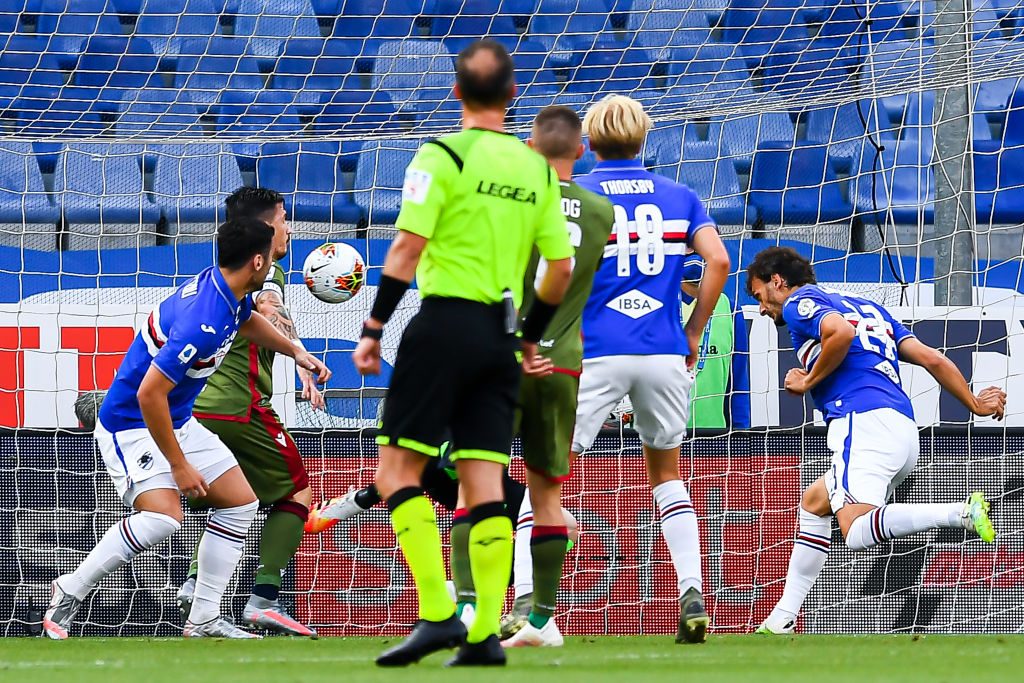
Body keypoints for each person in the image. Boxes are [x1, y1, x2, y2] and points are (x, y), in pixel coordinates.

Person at [350, 39, 572, 667]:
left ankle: (441, 615)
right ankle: (483, 641)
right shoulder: (536, 169)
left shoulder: (440, 153)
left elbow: (406, 248)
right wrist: (531, 334)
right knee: (485, 489)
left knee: (395, 474)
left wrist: (372, 327)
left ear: (455, 94)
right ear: (511, 96)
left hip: (443, 325)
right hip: (501, 338)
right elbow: (557, 268)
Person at [43, 218, 330, 639]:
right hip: (131, 425)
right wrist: (178, 466)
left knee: (240, 502)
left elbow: (248, 321)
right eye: (269, 257)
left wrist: (296, 353)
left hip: (176, 419)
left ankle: (204, 619)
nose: (273, 262)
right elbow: (149, 394)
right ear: (256, 261)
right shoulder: (204, 321)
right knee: (163, 519)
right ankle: (69, 590)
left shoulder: (227, 290)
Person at [745, 246, 1004, 634]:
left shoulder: (800, 302)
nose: (762, 308)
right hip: (901, 430)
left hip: (859, 421)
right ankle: (782, 618)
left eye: (759, 295)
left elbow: (841, 333)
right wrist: (974, 404)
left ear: (777, 281)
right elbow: (932, 358)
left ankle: (959, 513)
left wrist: (808, 379)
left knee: (856, 531)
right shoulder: (869, 308)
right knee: (815, 504)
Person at [568, 94, 731, 645]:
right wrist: (692, 330)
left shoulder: (576, 194)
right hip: (663, 352)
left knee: (546, 477)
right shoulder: (680, 196)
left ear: (588, 141)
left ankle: (525, 603)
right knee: (667, 475)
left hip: (595, 350)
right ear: (645, 139)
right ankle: (692, 590)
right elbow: (720, 261)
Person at [176, 188, 322, 637]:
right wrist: (301, 356)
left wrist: (297, 360)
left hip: (195, 407)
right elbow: (269, 306)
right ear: (265, 228)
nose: (290, 227)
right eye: (283, 219)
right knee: (296, 493)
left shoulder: (219, 271)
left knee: (236, 501)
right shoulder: (265, 271)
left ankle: (199, 588)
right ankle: (264, 598)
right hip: (239, 405)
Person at [494, 104, 614, 648]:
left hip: (502, 357)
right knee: (545, 495)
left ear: (526, 149)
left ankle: (471, 609)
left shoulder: (506, 205)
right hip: (562, 360)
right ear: (582, 151)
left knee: (479, 487)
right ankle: (542, 618)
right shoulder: (600, 210)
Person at [678, 254, 750, 430]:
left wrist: (740, 432)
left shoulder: (730, 309)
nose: (695, 251)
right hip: (654, 440)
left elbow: (738, 384)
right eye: (689, 245)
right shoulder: (652, 305)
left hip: (711, 440)